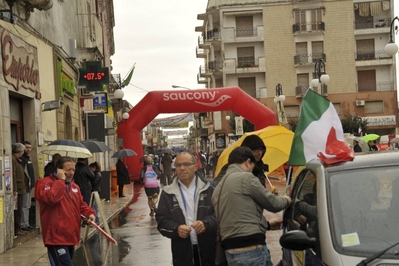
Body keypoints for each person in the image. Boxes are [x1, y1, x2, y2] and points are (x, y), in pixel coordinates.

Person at [211, 146, 292, 266]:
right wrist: (287, 199)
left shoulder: (218, 188)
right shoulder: (245, 177)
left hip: (231, 252)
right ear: (248, 162)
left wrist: (267, 225)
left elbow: (241, 213)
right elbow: (274, 204)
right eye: (252, 167)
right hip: (251, 252)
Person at [156, 151, 217, 266]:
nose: (182, 168)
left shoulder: (210, 188)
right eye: (178, 165)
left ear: (195, 166)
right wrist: (176, 229)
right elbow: (161, 222)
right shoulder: (167, 193)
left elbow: (222, 215)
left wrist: (206, 223)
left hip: (209, 251)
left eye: (187, 164)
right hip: (182, 253)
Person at [35, 156, 96, 265]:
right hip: (56, 237)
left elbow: (81, 205)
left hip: (71, 236)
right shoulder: (44, 183)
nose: (72, 173)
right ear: (59, 170)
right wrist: (60, 181)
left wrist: (89, 213)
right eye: (68, 170)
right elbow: (52, 198)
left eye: (73, 170)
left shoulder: (75, 187)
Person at [12, 143, 30, 236]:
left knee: (20, 208)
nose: (23, 153)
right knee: (17, 210)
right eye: (22, 151)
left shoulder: (17, 160)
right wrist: (14, 189)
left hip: (21, 187)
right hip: (17, 189)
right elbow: (13, 175)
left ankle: (18, 228)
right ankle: (17, 229)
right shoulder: (13, 160)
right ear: (19, 151)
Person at [21, 141, 36, 231]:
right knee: (24, 205)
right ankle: (24, 224)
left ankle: (27, 223)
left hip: (29, 185)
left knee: (28, 205)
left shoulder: (28, 158)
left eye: (30, 148)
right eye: (27, 147)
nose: (28, 149)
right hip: (25, 185)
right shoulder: (23, 159)